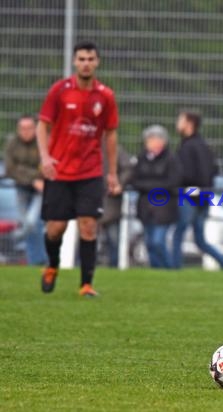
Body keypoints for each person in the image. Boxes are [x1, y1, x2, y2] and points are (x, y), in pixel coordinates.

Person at [36, 41, 120, 297]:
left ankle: (86, 284)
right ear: (75, 62)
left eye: (90, 59)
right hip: (60, 171)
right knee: (55, 228)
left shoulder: (105, 95)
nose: (86, 63)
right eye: (81, 59)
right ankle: (52, 266)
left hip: (90, 171)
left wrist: (112, 173)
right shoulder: (60, 91)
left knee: (88, 226)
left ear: (97, 62)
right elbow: (42, 125)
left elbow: (111, 135)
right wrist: (45, 158)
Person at [173, 109, 223, 273]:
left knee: (179, 233)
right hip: (205, 195)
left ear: (189, 123)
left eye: (180, 120)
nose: (177, 124)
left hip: (189, 196)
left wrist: (180, 184)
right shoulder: (204, 145)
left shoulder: (187, 147)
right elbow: (213, 170)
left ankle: (173, 268)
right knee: (200, 240)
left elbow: (186, 173)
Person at [131, 125, 180, 269]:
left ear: (162, 141)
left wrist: (149, 185)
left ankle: (169, 270)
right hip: (145, 207)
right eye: (149, 139)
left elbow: (173, 181)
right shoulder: (141, 158)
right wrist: (154, 185)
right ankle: (156, 270)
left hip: (164, 207)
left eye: (154, 139)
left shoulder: (171, 159)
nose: (150, 142)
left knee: (158, 241)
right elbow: (135, 180)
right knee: (149, 243)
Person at [3, 115, 48, 265]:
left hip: (40, 190)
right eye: (22, 128)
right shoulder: (12, 143)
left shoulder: (43, 141)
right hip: (21, 188)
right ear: (18, 129)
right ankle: (34, 260)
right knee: (28, 225)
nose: (26, 131)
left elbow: (46, 167)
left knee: (35, 223)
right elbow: (10, 169)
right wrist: (33, 178)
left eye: (29, 128)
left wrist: (30, 174)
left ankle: (39, 260)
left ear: (35, 129)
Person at [98, 144, 134, 267]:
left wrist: (119, 184)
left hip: (110, 201)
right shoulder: (84, 146)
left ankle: (114, 266)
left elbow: (128, 168)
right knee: (88, 238)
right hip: (90, 199)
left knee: (113, 239)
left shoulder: (115, 149)